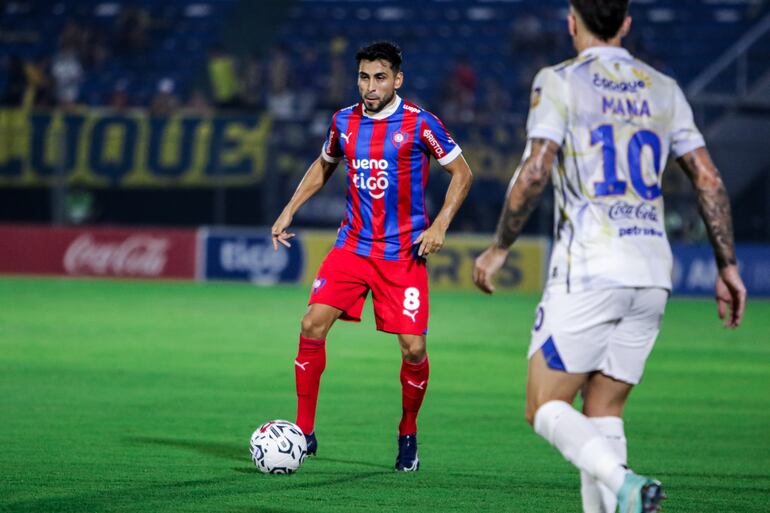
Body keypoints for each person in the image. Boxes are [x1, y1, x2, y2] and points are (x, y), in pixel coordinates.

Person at [472, 1, 746, 512]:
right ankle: (622, 491)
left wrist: (499, 246)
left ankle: (626, 483)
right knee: (602, 410)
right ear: (625, 24)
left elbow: (534, 173)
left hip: (591, 267)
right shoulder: (664, 88)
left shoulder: (559, 80)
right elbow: (708, 179)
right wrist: (726, 265)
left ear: (572, 22)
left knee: (543, 405)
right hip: (652, 272)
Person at [271, 41, 473, 472]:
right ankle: (305, 433)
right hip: (352, 247)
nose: (370, 85)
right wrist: (290, 209)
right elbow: (324, 164)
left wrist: (439, 226)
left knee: (413, 349)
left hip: (402, 254)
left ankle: (408, 431)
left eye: (379, 77)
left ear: (397, 80)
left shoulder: (421, 124)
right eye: (364, 76)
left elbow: (462, 172)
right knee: (311, 323)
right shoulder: (343, 121)